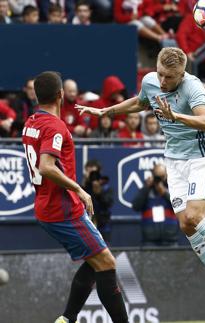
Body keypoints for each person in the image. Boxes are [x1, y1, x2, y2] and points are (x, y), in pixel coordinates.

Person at [76, 47, 205, 312]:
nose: (164, 82)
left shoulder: (193, 88)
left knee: (196, 217)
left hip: (202, 159)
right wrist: (106, 111)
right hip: (174, 161)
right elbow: (141, 102)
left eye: (170, 78)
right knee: (187, 225)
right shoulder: (151, 81)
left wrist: (175, 116)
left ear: (182, 74)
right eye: (161, 74)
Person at [21, 71, 128, 323]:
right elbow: (46, 166)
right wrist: (79, 189)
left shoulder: (31, 121)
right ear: (60, 95)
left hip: (47, 206)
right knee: (107, 262)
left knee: (96, 260)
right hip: (63, 208)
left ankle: (67, 318)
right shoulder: (54, 126)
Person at [132, 163, 178, 246]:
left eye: (162, 176)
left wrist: (165, 193)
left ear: (166, 176)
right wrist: (146, 188)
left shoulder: (173, 188)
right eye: (157, 176)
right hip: (149, 239)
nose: (159, 179)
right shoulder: (146, 189)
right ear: (152, 175)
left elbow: (178, 205)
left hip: (170, 238)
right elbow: (135, 206)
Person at [82, 160, 114, 242]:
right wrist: (85, 186)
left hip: (103, 226)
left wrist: (99, 193)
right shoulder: (82, 188)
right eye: (89, 172)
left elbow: (108, 204)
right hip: (86, 226)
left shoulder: (106, 188)